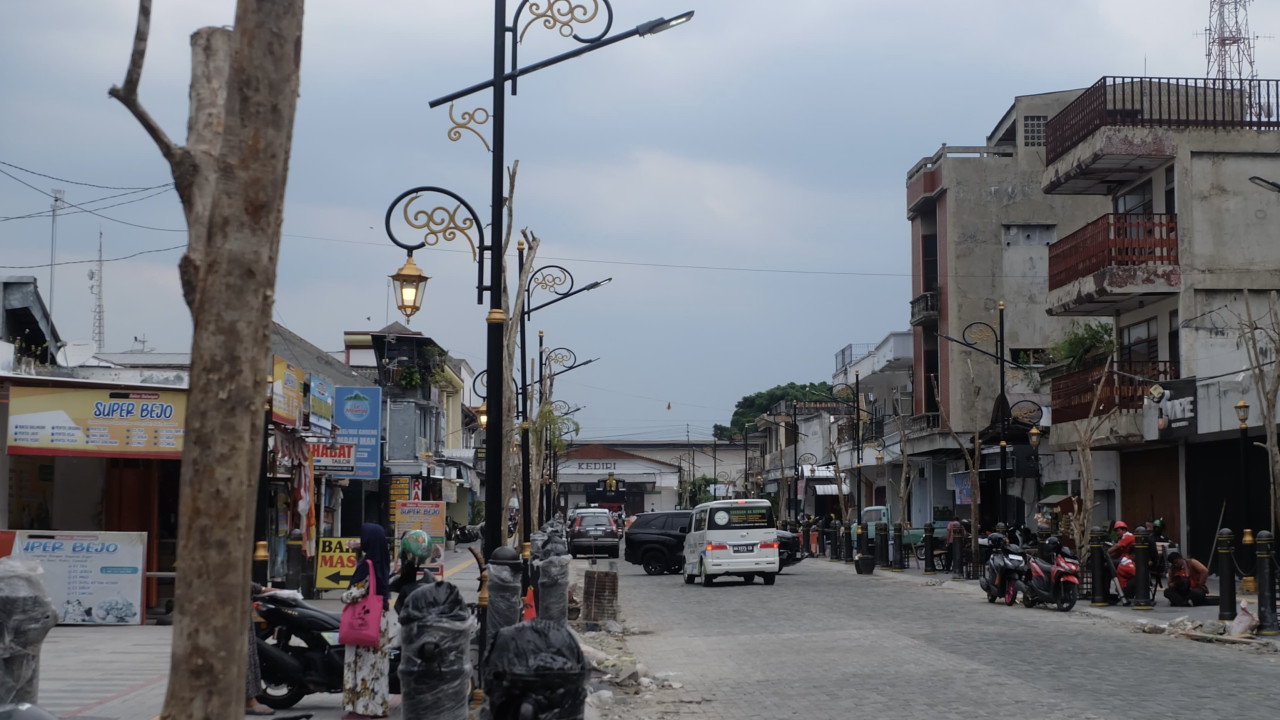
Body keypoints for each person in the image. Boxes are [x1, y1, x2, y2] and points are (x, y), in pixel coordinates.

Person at [342, 523, 392, 720]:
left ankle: (362, 710)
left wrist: (344, 596)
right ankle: (378, 708)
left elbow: (358, 591)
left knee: (362, 665)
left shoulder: (366, 564)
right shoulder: (382, 561)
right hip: (380, 619)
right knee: (378, 667)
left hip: (363, 619)